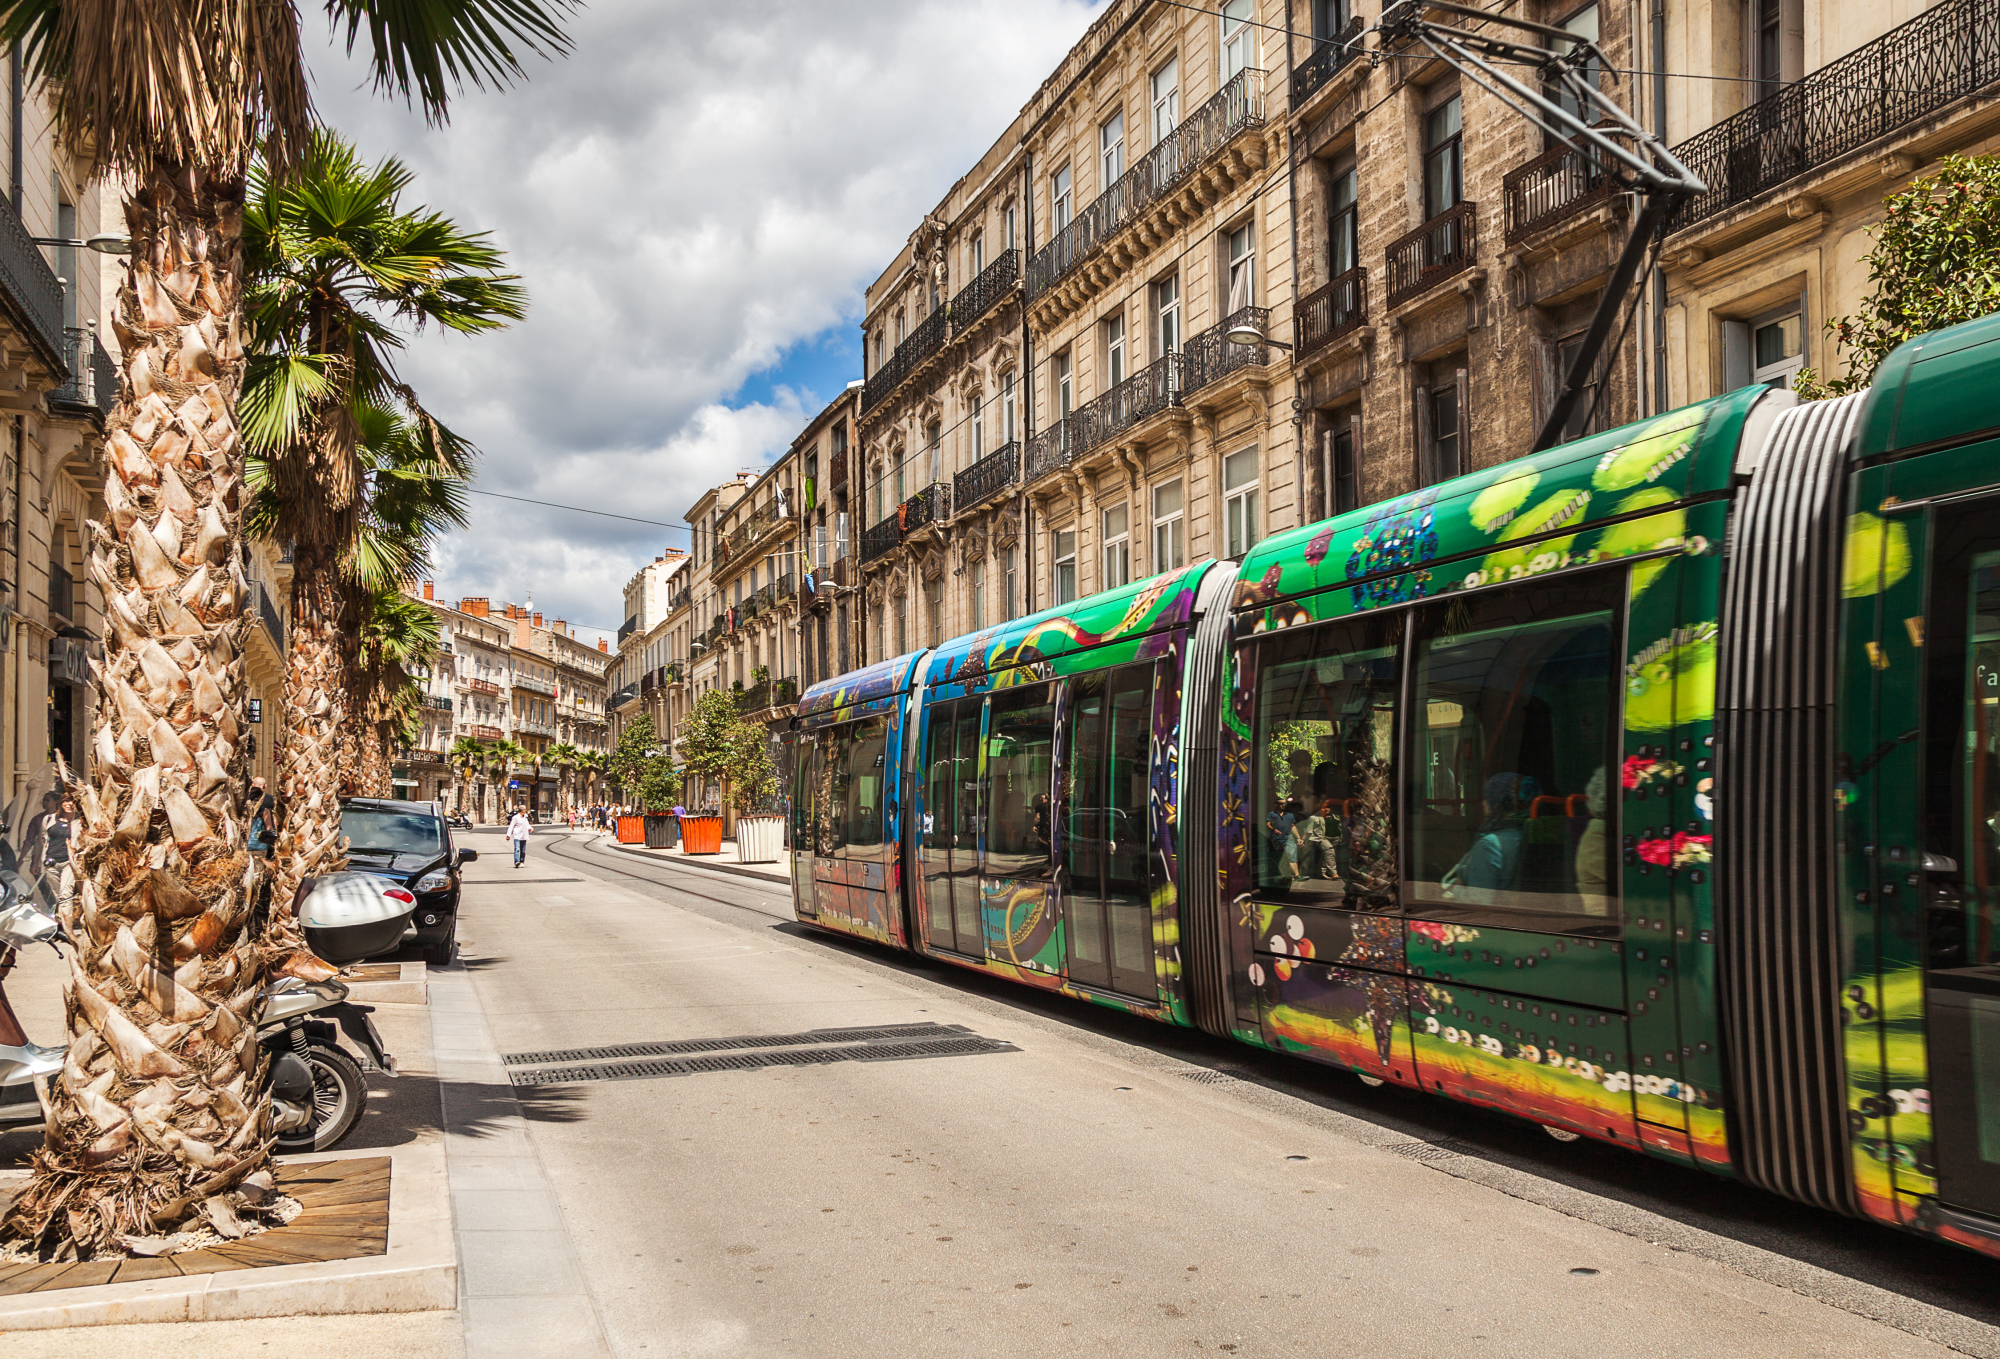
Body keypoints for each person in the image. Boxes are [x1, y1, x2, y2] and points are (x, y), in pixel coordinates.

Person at [1445, 773, 1540, 896]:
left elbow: (1479, 900)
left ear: (1499, 805)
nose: (1484, 803)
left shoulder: (1489, 845)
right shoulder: (1532, 835)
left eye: (1489, 799)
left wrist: (1454, 891)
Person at [246, 776, 277, 858]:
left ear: (252, 785)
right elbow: (269, 828)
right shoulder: (270, 800)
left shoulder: (244, 803)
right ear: (265, 786)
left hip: (245, 845)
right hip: (261, 845)